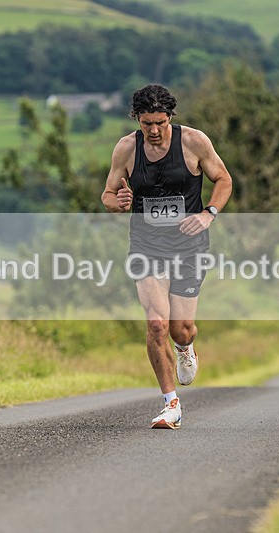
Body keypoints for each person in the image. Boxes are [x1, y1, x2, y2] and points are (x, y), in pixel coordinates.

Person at [101, 84, 233, 429]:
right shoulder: (127, 149)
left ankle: (186, 347)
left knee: (180, 328)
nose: (155, 131)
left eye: (160, 122)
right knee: (156, 324)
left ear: (170, 117)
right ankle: (170, 404)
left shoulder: (193, 142)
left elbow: (223, 179)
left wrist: (209, 213)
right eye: (147, 124)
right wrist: (120, 204)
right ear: (137, 120)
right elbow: (108, 194)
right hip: (146, 246)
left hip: (189, 247)